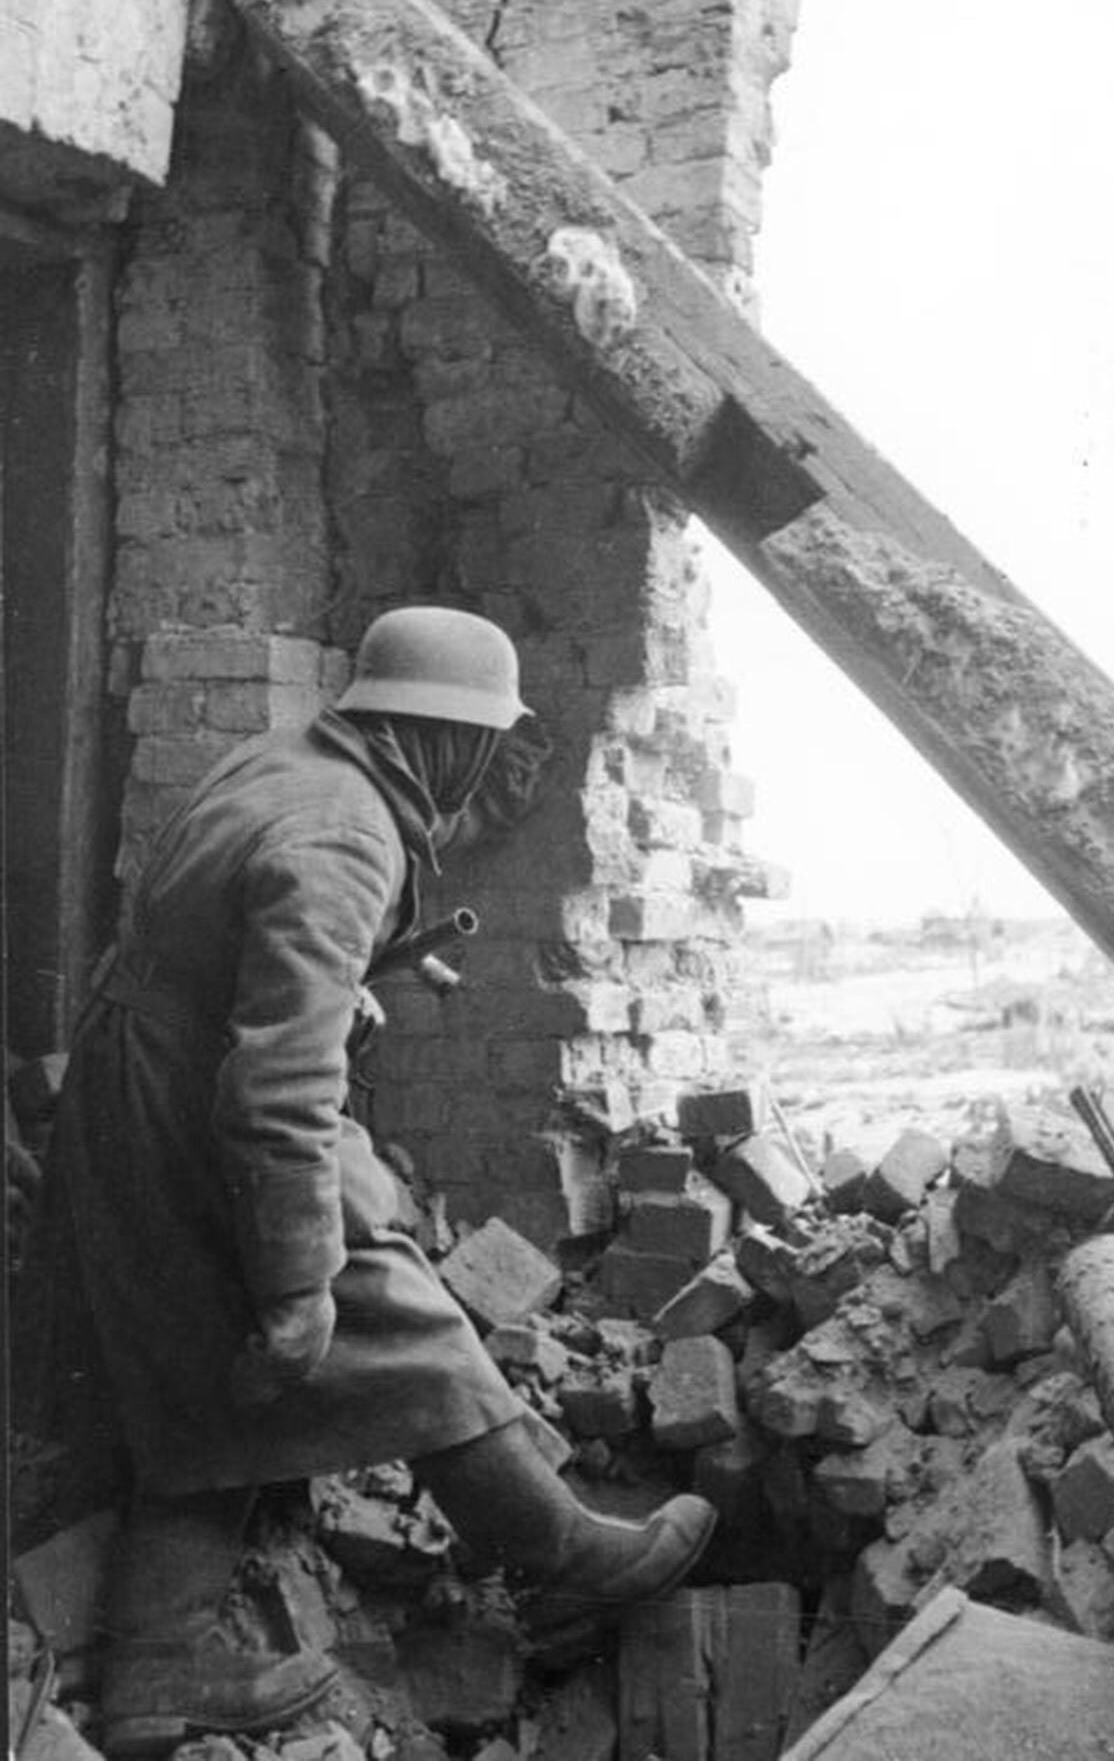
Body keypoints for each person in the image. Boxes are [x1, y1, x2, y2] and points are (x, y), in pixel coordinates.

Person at [19, 607, 715, 1755]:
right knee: (378, 1294)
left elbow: (228, 929)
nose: (482, 775)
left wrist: (363, 973)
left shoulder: (293, 760)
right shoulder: (346, 837)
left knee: (209, 1362)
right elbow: (282, 1094)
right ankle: (562, 1559)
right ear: (442, 736)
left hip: (137, 1079)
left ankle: (153, 1663)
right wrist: (301, 1285)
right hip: (198, 1106)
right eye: (481, 749)